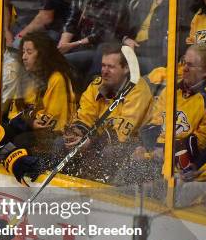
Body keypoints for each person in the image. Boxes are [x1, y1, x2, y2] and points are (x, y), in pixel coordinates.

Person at [58, 43, 153, 182]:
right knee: (61, 144)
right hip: (98, 139)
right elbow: (85, 116)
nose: (104, 71)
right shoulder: (96, 85)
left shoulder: (138, 90)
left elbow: (121, 134)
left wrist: (90, 142)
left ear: (126, 68)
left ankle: (102, 192)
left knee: (108, 152)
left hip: (134, 143)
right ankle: (66, 189)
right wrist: (76, 133)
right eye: (103, 65)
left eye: (111, 67)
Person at [134, 44, 206, 177]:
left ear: (205, 70)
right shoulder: (170, 89)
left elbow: (201, 143)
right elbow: (153, 122)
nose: (184, 68)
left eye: (190, 65)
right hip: (154, 157)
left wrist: (167, 149)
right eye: (184, 63)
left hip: (180, 168)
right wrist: (144, 146)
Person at [6, 32, 76, 151]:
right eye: (23, 52)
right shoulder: (24, 78)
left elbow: (48, 122)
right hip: (27, 128)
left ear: (42, 55)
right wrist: (28, 121)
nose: (24, 57)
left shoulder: (57, 79)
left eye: (29, 52)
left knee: (20, 141)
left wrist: (26, 120)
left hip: (54, 136)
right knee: (0, 131)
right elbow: (12, 115)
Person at [121, 0, 170, 74]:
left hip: (152, 55)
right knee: (104, 50)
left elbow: (161, 42)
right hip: (134, 48)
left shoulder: (173, 4)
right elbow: (127, 27)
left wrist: (135, 48)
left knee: (117, 63)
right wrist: (126, 39)